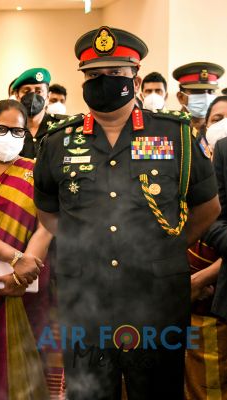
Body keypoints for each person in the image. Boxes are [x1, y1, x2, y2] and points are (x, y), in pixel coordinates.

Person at [34, 26, 220, 399]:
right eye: (94, 75)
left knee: (157, 391)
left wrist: (163, 247)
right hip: (85, 296)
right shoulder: (58, 141)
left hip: (155, 298)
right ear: (83, 81)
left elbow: (208, 207)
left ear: (135, 79)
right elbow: (49, 213)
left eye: (115, 73)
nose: (104, 81)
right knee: (89, 392)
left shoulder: (175, 135)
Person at [0, 99, 66, 399]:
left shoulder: (36, 173)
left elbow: (47, 225)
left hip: (30, 280)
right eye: (1, 129)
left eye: (17, 132)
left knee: (31, 355)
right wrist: (15, 258)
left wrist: (26, 268)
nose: (9, 137)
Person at [185, 96, 227, 399]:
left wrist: (202, 278)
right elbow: (214, 219)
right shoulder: (194, 169)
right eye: (217, 118)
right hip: (200, 308)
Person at [11, 68, 64, 160]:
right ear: (17, 96)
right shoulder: (10, 129)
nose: (33, 96)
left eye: (39, 91)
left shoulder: (62, 126)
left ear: (48, 97)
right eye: (26, 91)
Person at [173, 62, 224, 132]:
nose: (206, 98)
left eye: (210, 91)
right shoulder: (168, 126)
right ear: (181, 97)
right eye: (198, 91)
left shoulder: (221, 128)